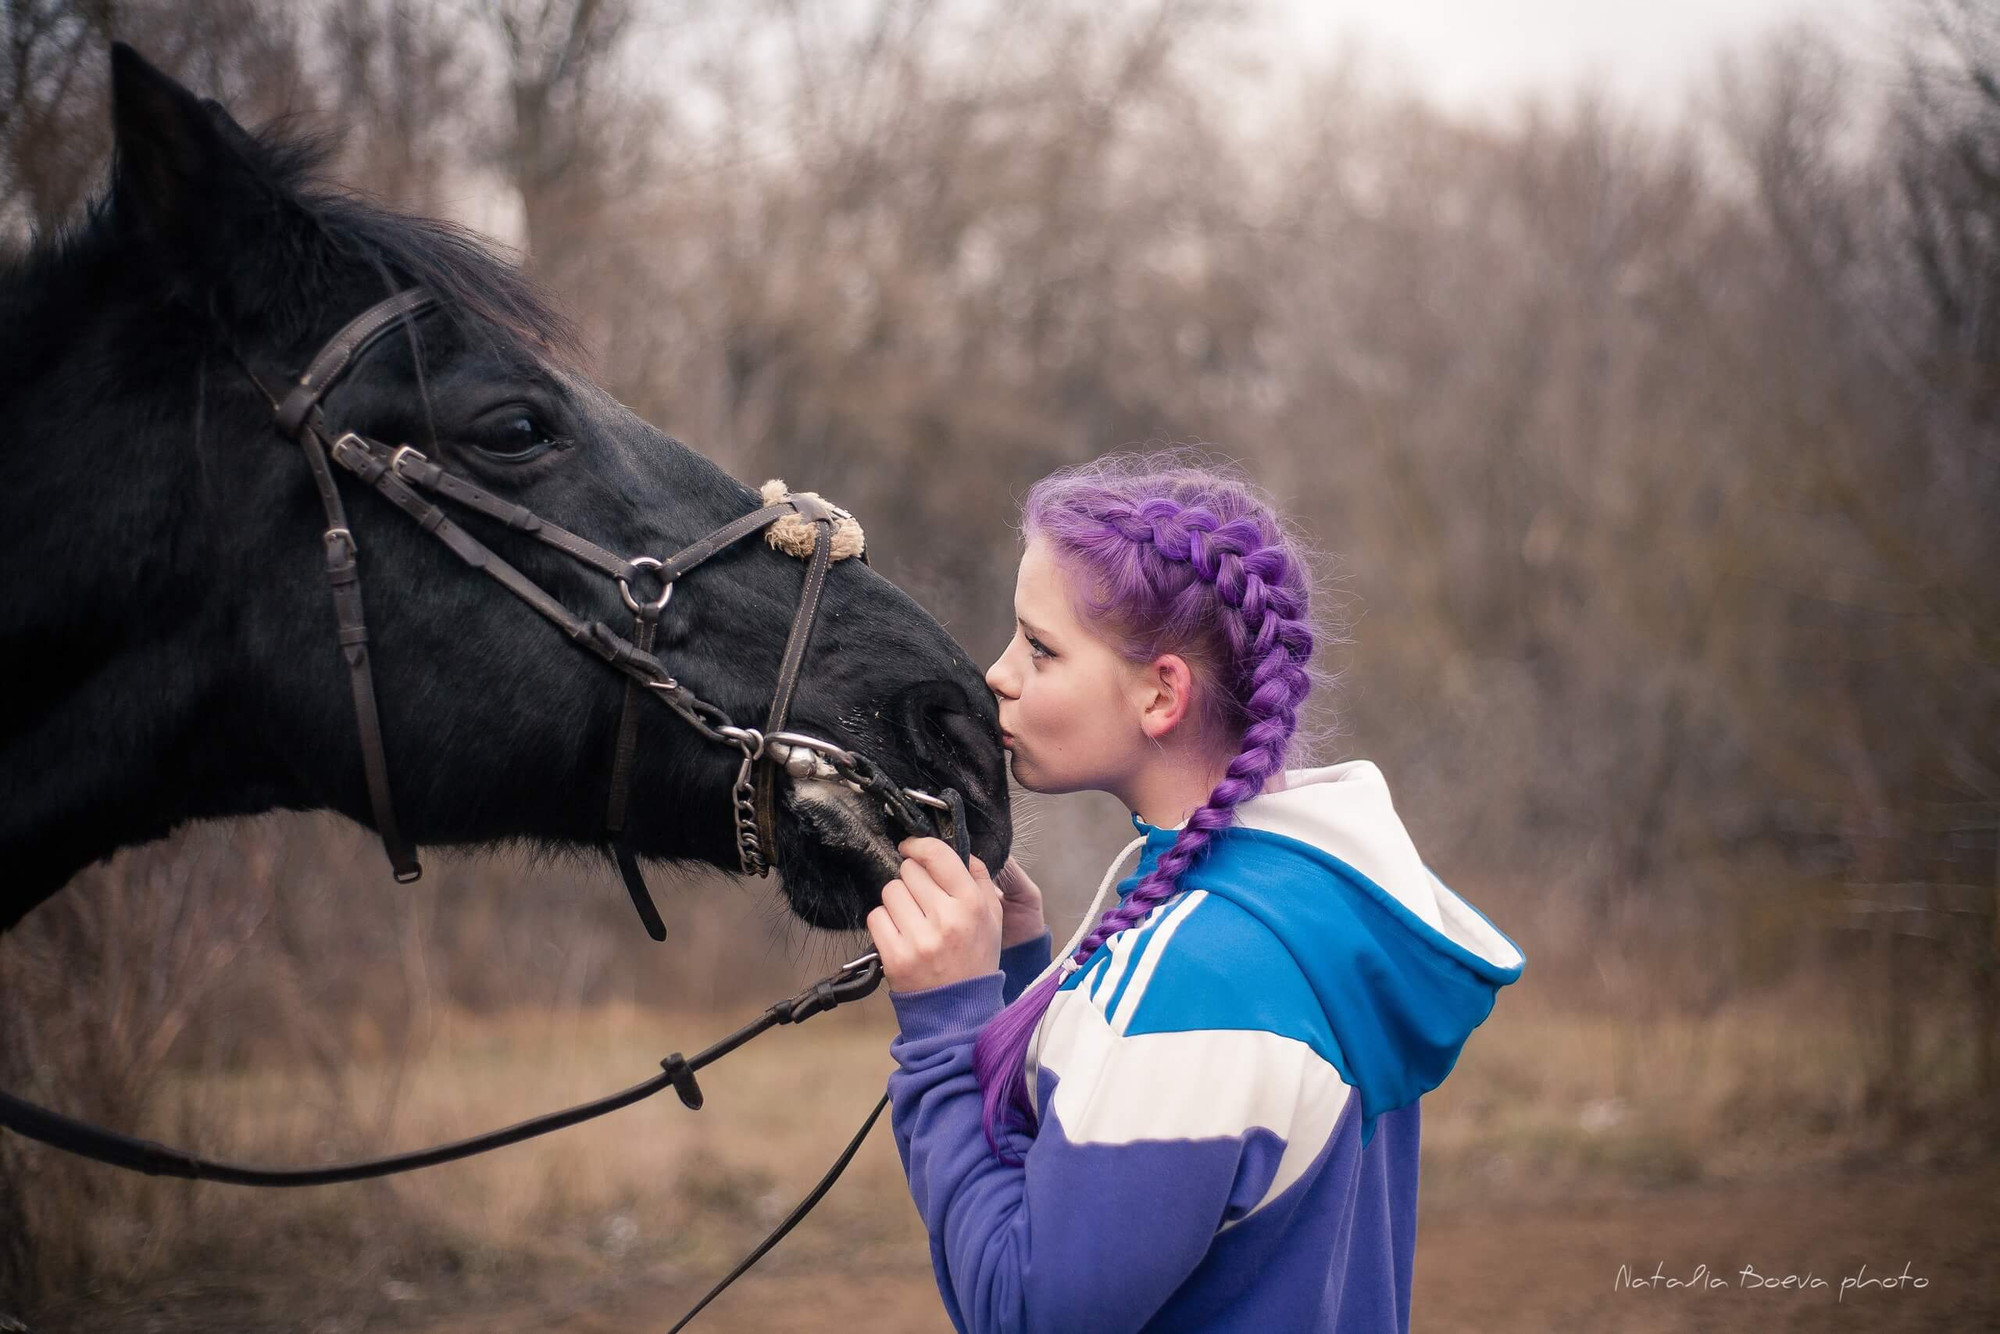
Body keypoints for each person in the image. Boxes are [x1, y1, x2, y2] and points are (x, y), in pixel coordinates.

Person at [866, 453, 1526, 1333]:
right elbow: (1089, 1178)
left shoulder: (1201, 980)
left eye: (1041, 648)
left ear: (1161, 693)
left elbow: (1027, 1308)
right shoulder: (1289, 897)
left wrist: (947, 1027)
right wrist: (1022, 962)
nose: (999, 675)